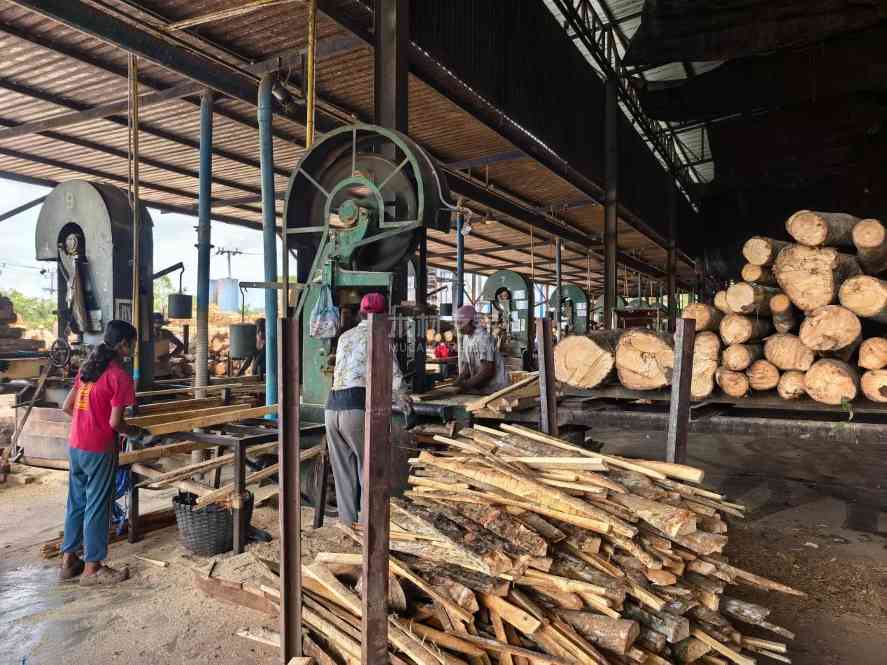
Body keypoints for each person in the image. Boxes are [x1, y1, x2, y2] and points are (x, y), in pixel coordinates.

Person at [59, 320, 145, 586]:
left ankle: (69, 561)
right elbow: (115, 424)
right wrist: (136, 432)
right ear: (123, 344)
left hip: (76, 445)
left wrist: (87, 422)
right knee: (97, 506)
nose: (134, 347)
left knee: (77, 502)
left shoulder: (88, 368)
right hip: (98, 449)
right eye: (132, 343)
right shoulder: (120, 376)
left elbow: (67, 406)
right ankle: (92, 568)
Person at [324, 293, 411, 525]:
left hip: (332, 408)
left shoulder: (345, 336)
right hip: (355, 408)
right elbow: (394, 376)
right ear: (383, 316)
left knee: (343, 473)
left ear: (362, 313)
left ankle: (347, 526)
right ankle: (370, 527)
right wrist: (404, 399)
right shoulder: (379, 337)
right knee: (369, 470)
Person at [454, 304, 509, 394]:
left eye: (461, 323)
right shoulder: (466, 338)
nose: (459, 327)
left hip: (495, 389)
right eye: (457, 323)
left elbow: (487, 371)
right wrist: (458, 381)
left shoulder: (484, 338)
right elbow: (467, 365)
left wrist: (467, 385)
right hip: (482, 388)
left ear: (472, 322)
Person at [152, 312, 184, 379]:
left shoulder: (166, 333)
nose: (157, 328)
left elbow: (181, 346)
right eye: (155, 325)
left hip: (164, 371)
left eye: (159, 325)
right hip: (150, 371)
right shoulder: (145, 335)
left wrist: (169, 356)